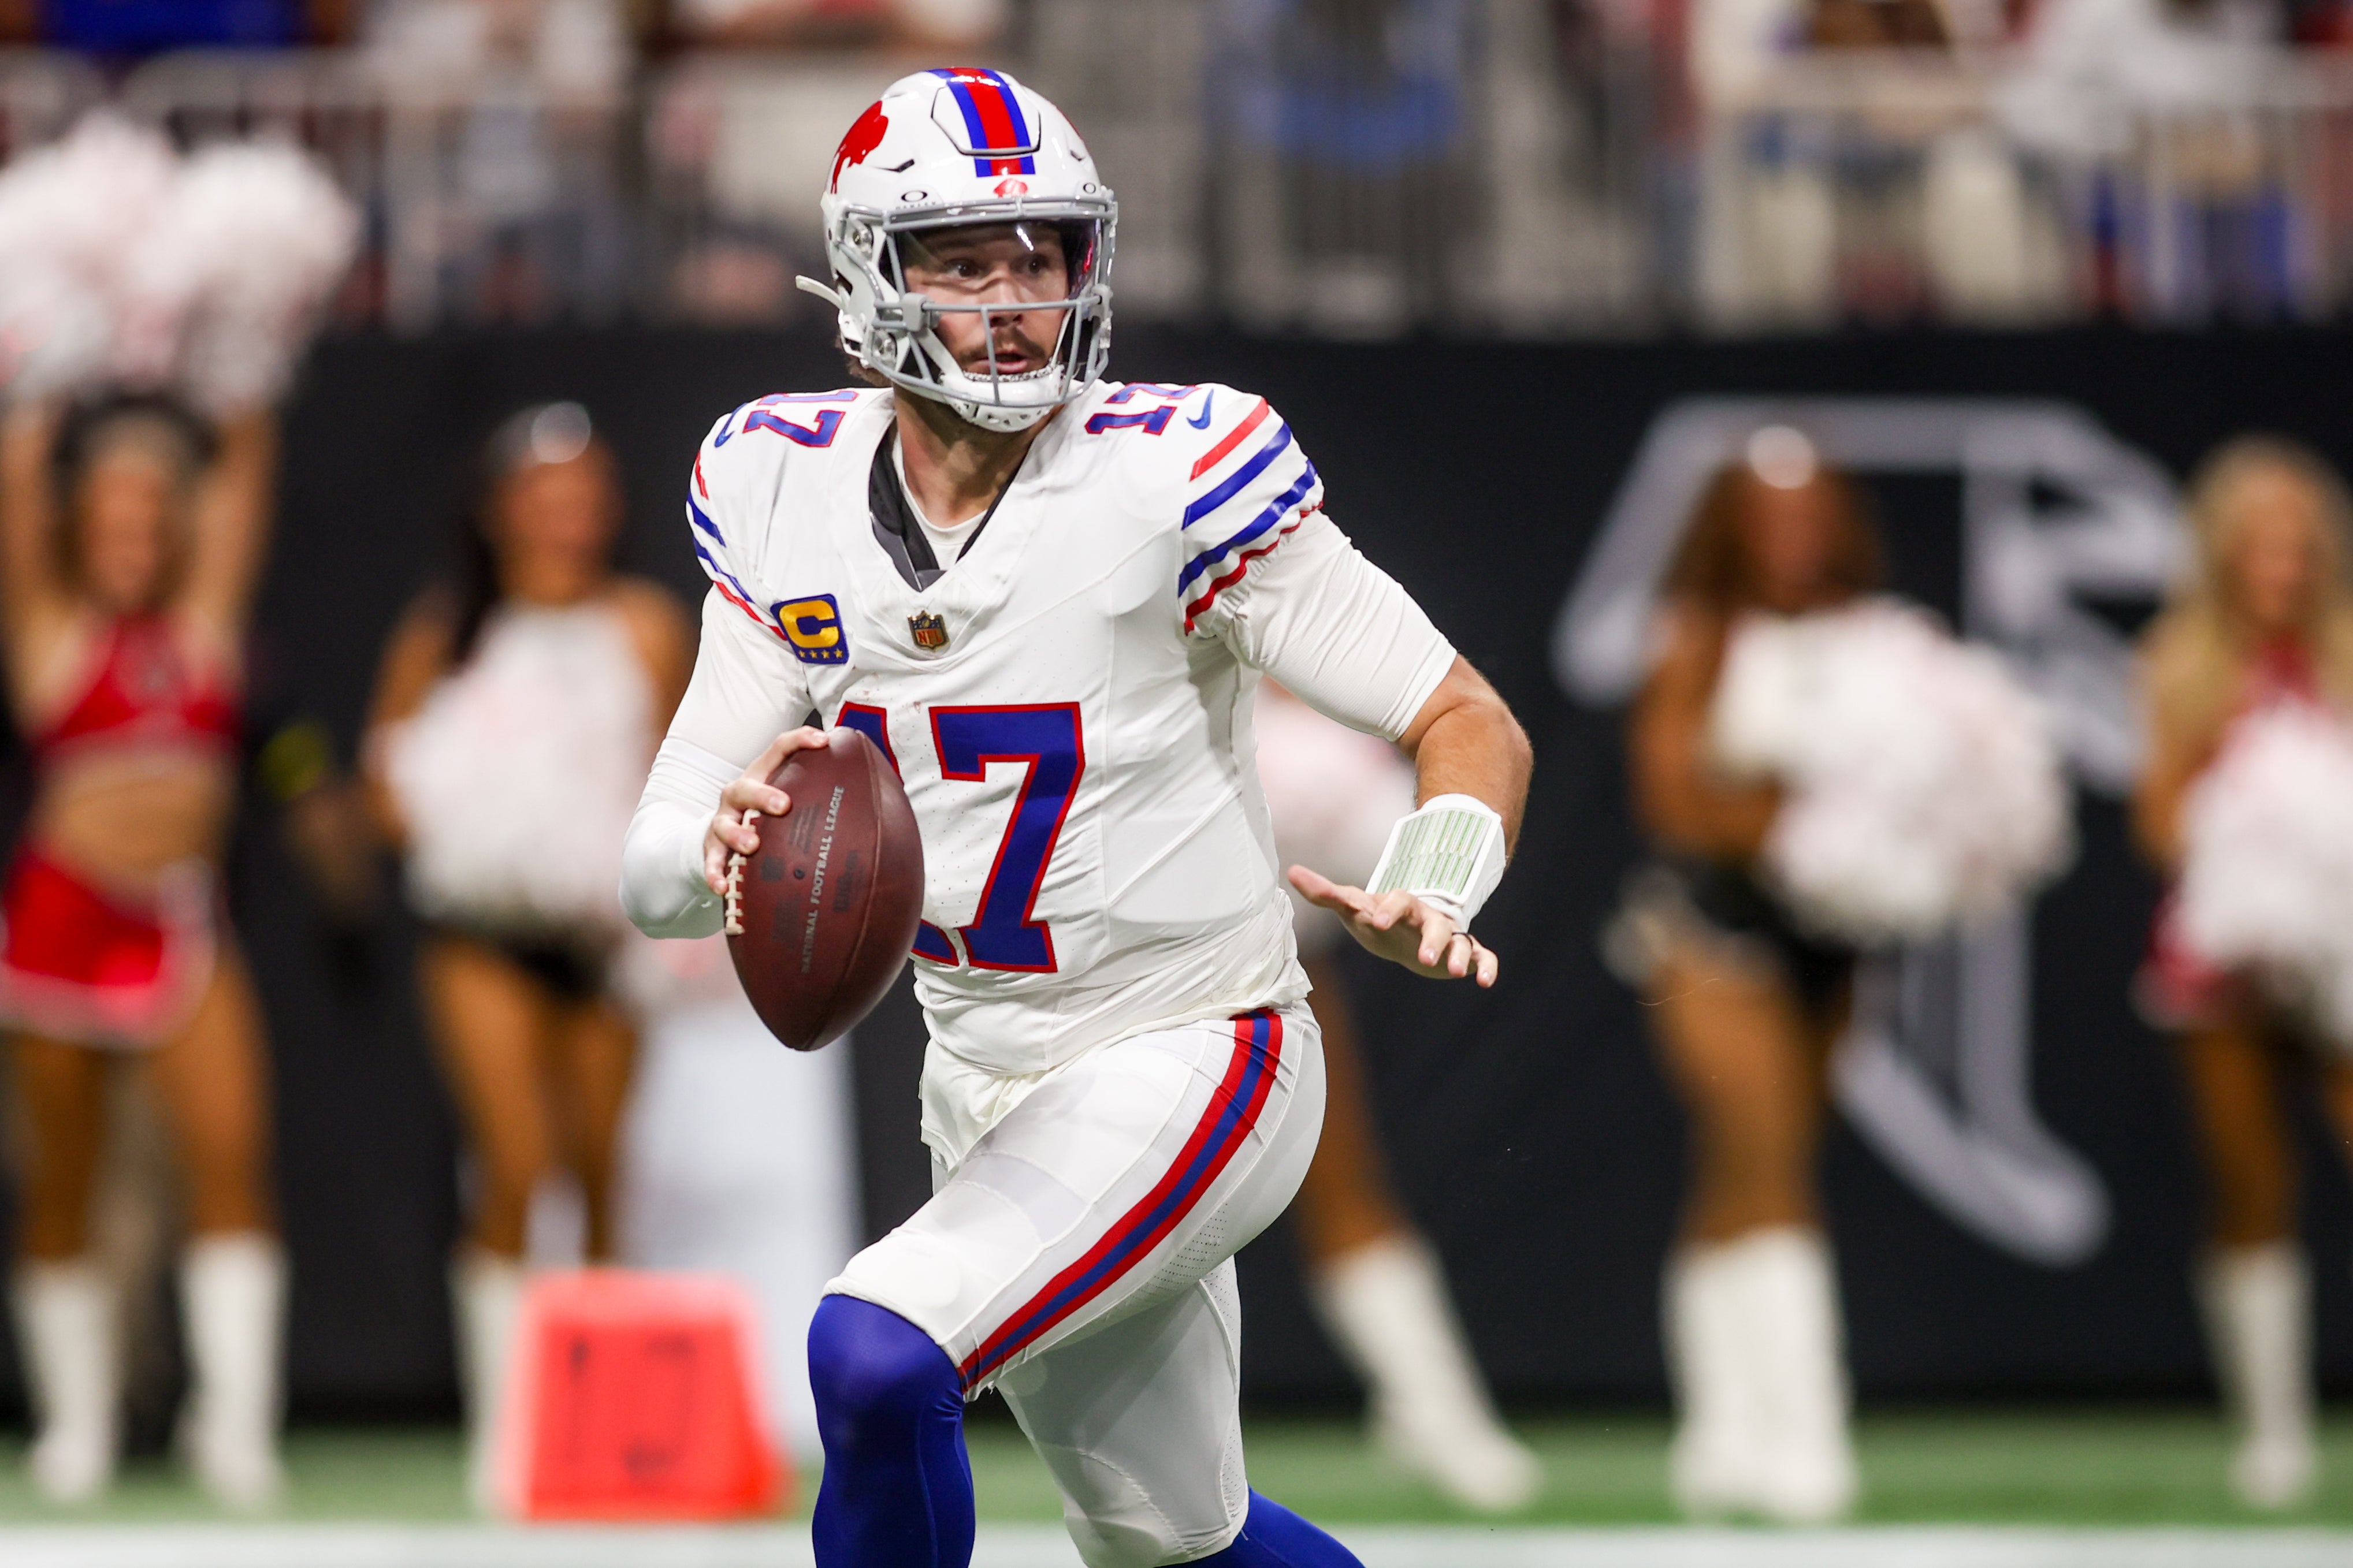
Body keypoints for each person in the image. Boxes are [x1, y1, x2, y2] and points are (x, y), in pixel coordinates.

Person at [620, 68, 1531, 1568]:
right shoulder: (779, 483)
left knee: (874, 1348)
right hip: (984, 1071)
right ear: (867, 277)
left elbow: (1466, 716)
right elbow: (661, 858)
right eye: (964, 261)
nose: (1015, 298)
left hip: (1200, 1042)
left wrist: (1436, 879)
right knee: (1169, 1540)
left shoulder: (1173, 469)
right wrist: (702, 852)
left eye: (1039, 254)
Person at [365, 402, 692, 1504]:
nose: (567, 516)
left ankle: (597, 1442)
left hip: (602, 941)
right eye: (544, 495)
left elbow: (680, 769)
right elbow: (386, 785)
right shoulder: (448, 632)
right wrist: (487, 836)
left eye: (586, 495)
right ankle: (508, 1444)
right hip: (484, 937)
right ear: (500, 511)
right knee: (515, 1164)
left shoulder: (644, 626)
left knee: (601, 1174)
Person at [0, 395, 284, 1509]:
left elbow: (244, 470)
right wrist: (40, 371)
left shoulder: (204, 623)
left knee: (230, 1159)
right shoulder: (49, 631)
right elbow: (18, 486)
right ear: (76, 528)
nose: (131, 538)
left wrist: (228, 357)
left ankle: (236, 1429)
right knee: (62, 1179)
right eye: (110, 519)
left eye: (150, 519)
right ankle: (77, 1427)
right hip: (61, 925)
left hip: (179, 920)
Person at [1608, 426, 1876, 1522]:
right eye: (1768, 517)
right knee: (1769, 1164)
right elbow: (1673, 802)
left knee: (1741, 1173)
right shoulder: (1696, 639)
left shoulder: (1876, 645)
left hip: (1834, 937)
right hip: (1710, 933)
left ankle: (1718, 1433)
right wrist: (1799, 818)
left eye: (1809, 514)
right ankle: (1808, 1435)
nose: (1791, 537)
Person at [1254, 681, 1540, 1512]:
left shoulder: (1308, 717)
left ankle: (1435, 1411)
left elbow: (1461, 740)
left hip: (1264, 974)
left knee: (1342, 1183)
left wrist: (1423, 888)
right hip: (1096, 983)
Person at [2132, 437, 2353, 1509]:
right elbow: (2158, 824)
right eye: (2258, 545)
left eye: (2296, 545)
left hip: (2346, 952)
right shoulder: (2180, 664)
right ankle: (2273, 1430)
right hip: (2223, 960)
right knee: (2250, 1185)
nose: (2280, 566)